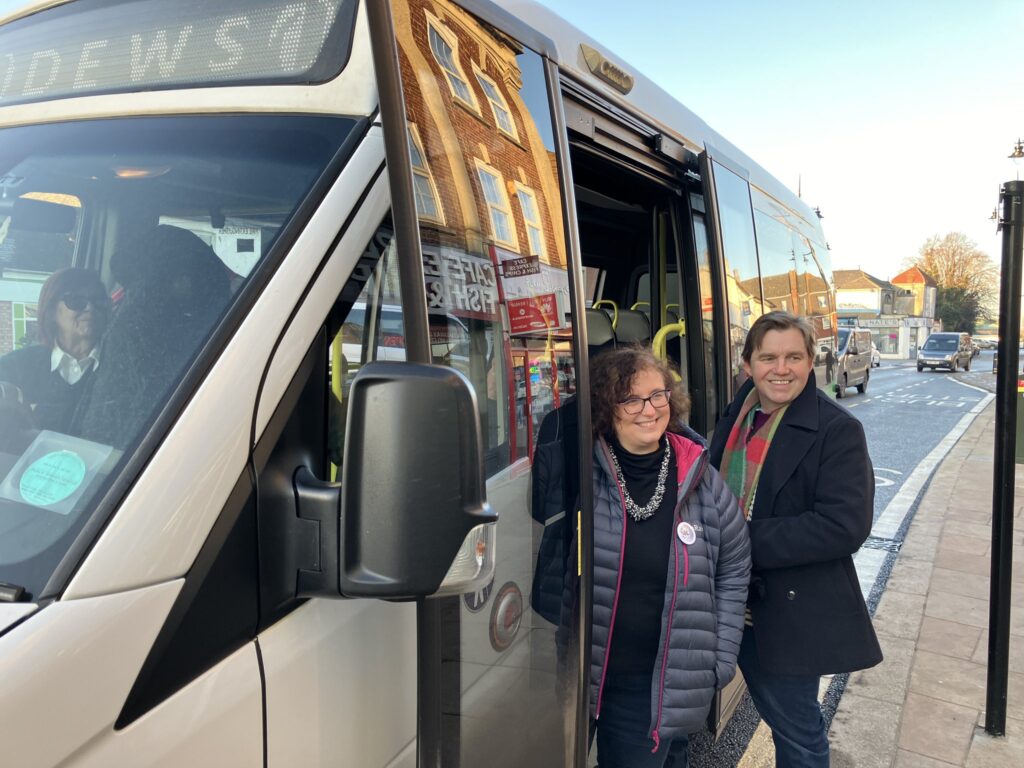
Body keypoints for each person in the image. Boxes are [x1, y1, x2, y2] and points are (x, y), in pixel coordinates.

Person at [708, 311, 882, 768]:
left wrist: (738, 540)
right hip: (719, 599)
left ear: (810, 362)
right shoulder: (741, 410)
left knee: (798, 735)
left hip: (782, 610)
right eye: (768, 357)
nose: (780, 369)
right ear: (748, 364)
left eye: (793, 357)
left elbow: (844, 525)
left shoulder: (837, 430)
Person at [579, 346, 750, 767]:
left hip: (672, 679)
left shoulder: (700, 477)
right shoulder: (585, 471)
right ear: (607, 407)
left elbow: (735, 565)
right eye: (631, 399)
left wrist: (722, 657)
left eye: (658, 396)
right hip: (609, 677)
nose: (648, 409)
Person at [0, 268, 110, 433]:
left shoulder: (123, 369)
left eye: (99, 301)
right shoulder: (16, 367)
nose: (90, 308)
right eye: (76, 300)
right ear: (51, 311)